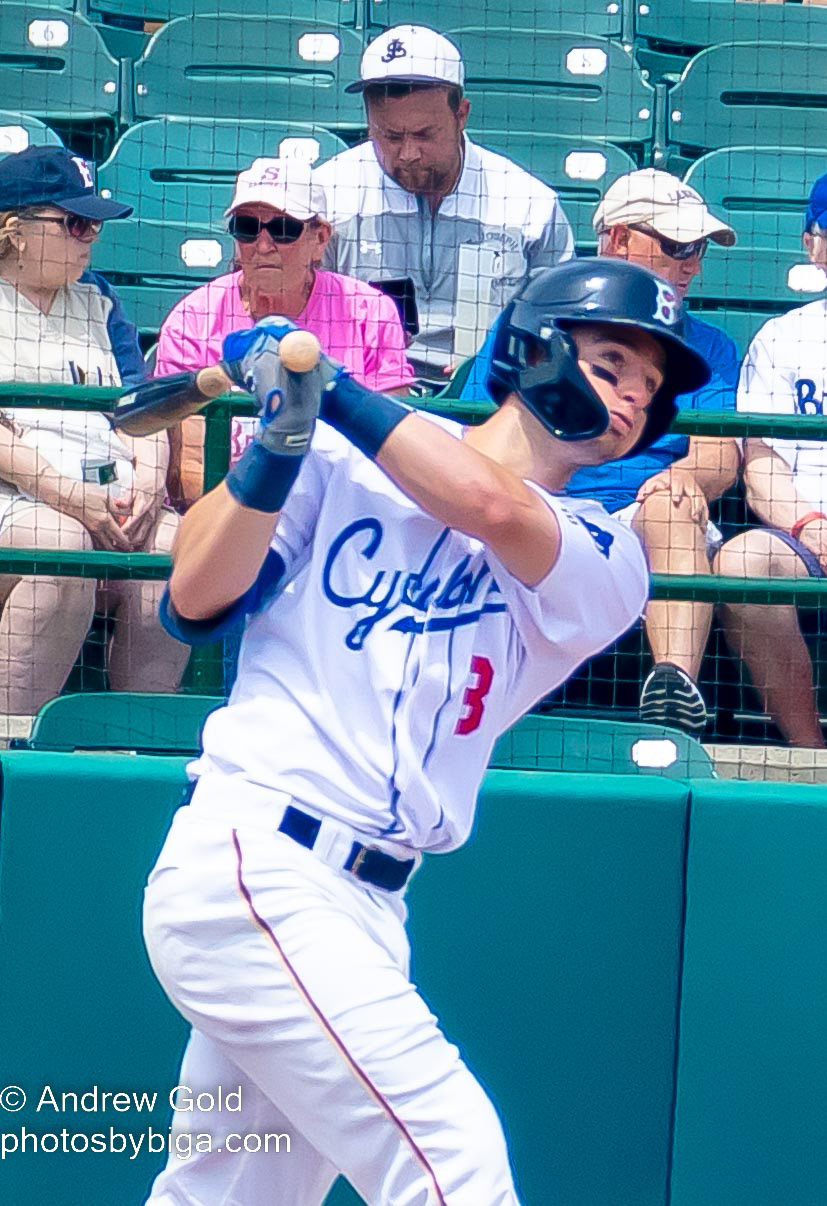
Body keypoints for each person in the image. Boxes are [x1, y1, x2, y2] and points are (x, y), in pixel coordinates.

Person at [141, 258, 709, 1205]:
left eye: (647, 389)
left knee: (231, 1195)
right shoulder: (332, 462)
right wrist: (277, 447)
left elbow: (485, 503)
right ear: (535, 348)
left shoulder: (608, 557)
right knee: (453, 1165)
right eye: (611, 363)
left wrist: (334, 393)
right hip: (256, 860)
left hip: (370, 906)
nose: (629, 398)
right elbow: (194, 600)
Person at [462, 169, 741, 735]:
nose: (692, 265)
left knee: (670, 505)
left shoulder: (710, 345)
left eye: (699, 250)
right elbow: (481, 431)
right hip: (538, 501)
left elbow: (718, 454)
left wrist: (681, 477)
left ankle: (672, 696)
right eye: (677, 246)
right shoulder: (541, 320)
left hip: (642, 515)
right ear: (617, 240)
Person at [0, 145, 188, 727]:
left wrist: (152, 484)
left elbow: (142, 408)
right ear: (16, 230)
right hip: (20, 496)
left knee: (172, 545)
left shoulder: (99, 299)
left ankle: (139, 744)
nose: (92, 238)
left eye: (95, 226)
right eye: (76, 223)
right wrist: (68, 496)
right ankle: (15, 746)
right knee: (60, 546)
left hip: (106, 491)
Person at [312, 24, 574, 384]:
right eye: (389, 135)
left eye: (424, 135)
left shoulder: (528, 205)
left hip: (490, 396)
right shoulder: (328, 195)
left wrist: (502, 360)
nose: (408, 153)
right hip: (361, 394)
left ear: (461, 115)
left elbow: (558, 327)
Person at [155, 157, 415, 509]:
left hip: (342, 513)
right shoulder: (193, 318)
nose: (263, 246)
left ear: (320, 239)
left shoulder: (371, 312)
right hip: (230, 514)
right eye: (247, 227)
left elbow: (394, 449)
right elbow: (189, 468)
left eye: (283, 229)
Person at [716, 162, 827, 747]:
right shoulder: (783, 338)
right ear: (813, 247)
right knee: (741, 561)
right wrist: (817, 528)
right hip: (807, 536)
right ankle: (814, 756)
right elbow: (762, 468)